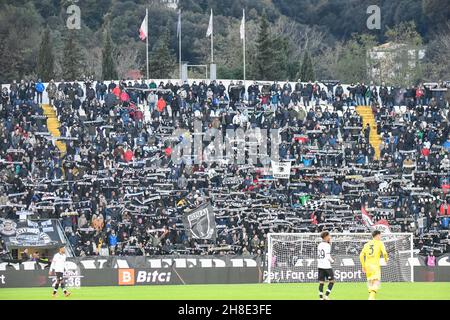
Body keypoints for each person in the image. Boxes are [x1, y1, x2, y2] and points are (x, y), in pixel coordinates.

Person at [359, 230, 389, 300]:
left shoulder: (366, 244)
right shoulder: (380, 243)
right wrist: (386, 259)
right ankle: (371, 297)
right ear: (377, 235)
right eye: (380, 235)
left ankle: (372, 297)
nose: (380, 237)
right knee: (376, 282)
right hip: (375, 266)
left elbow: (361, 255)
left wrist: (363, 266)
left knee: (370, 282)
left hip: (367, 266)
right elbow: (384, 253)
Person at [317, 231, 335, 300]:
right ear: (326, 237)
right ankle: (326, 296)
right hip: (326, 266)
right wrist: (332, 261)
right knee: (332, 281)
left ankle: (321, 298)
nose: (330, 237)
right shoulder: (327, 245)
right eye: (329, 236)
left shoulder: (319, 245)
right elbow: (327, 256)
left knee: (321, 282)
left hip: (320, 265)